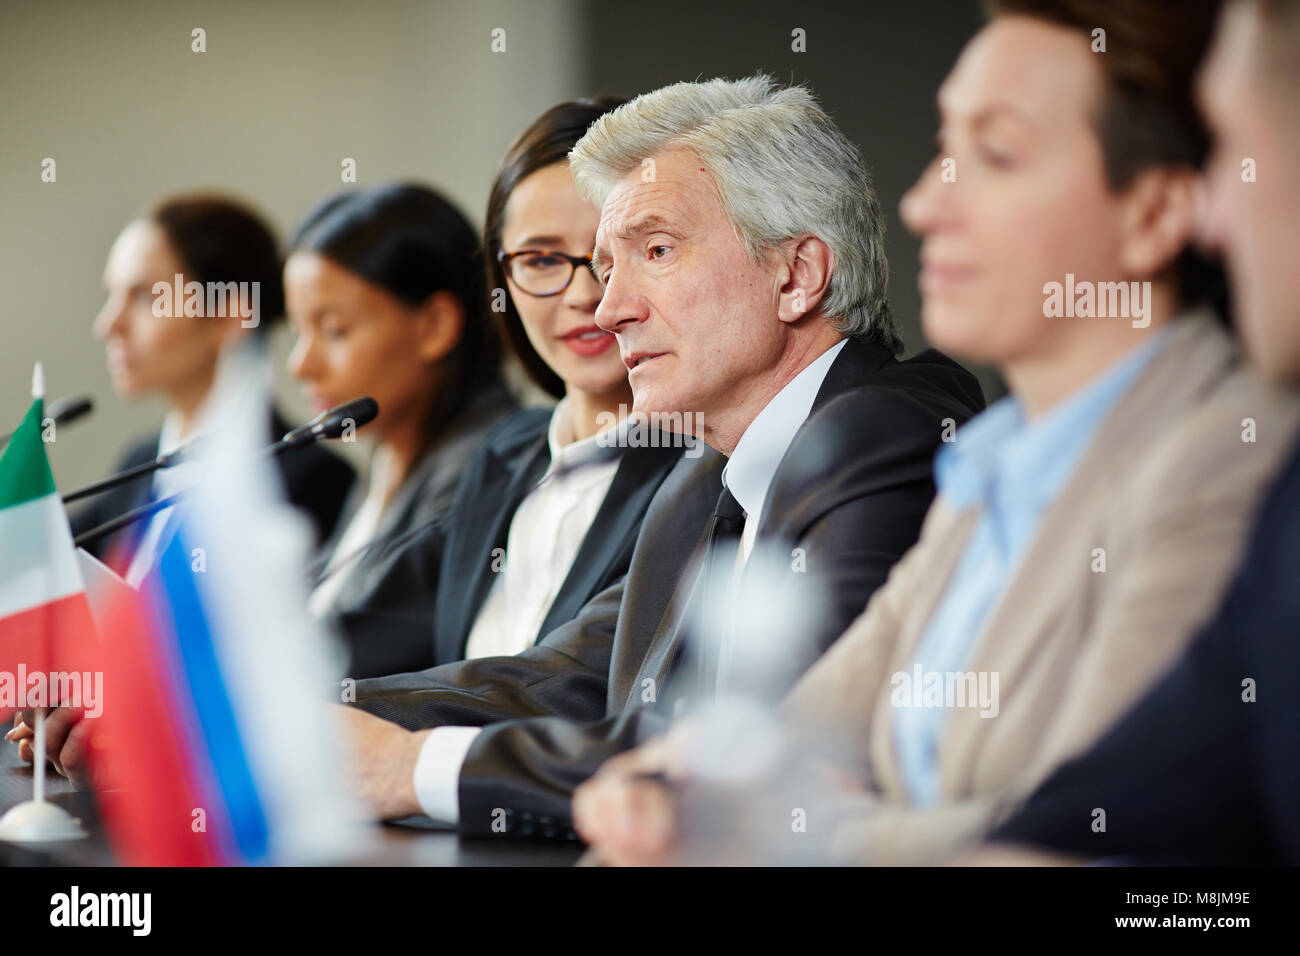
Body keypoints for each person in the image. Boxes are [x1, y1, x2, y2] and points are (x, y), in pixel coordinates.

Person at [571, 0, 1300, 866]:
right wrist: (692, 796)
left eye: (995, 154)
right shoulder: (991, 467)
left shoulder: (1229, 462)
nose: (922, 204)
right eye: (944, 150)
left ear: (1153, 214)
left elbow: (1111, 831)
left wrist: (800, 828)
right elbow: (775, 747)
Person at [339, 75, 985, 836]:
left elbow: (755, 753)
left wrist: (409, 770)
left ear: (797, 275)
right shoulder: (700, 481)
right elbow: (564, 681)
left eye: (656, 249)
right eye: (610, 269)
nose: (609, 309)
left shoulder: (884, 433)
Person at [983, 0, 1300, 865]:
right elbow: (1134, 790)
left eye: (1238, 147)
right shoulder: (1291, 503)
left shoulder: (1237, 451)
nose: (1214, 215)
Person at [412, 97, 689, 673]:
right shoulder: (504, 452)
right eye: (540, 261)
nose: (585, 295)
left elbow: (565, 688)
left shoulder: (709, 464)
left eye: (609, 256)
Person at [285, 183, 516, 679]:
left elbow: (367, 653)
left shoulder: (490, 462)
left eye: (334, 330)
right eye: (299, 331)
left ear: (435, 326)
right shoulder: (387, 455)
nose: (300, 364)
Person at [71, 195, 355, 583]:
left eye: (144, 296)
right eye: (112, 295)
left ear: (228, 314)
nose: (108, 324)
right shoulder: (140, 462)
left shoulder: (308, 479)